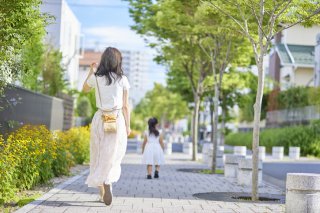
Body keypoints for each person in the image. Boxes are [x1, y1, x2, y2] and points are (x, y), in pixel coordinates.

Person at [82, 47, 130, 206]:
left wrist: (91, 70)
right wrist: (128, 126)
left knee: (98, 154)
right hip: (116, 120)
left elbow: (84, 90)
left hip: (100, 118)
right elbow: (125, 106)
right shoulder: (122, 79)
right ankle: (108, 182)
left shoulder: (96, 77)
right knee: (113, 155)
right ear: (118, 61)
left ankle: (102, 192)